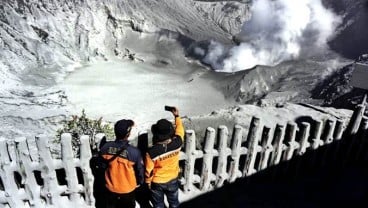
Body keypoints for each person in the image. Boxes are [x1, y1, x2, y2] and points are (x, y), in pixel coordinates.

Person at [145, 107, 185, 208]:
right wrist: (176, 116)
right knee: (174, 203)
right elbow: (180, 130)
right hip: (173, 178)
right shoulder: (177, 143)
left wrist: (148, 182)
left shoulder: (151, 152)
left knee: (158, 205)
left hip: (157, 182)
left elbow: (148, 171)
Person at [99, 119, 144, 208]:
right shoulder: (134, 152)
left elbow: (102, 166)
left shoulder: (105, 148)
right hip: (127, 189)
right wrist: (140, 182)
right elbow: (140, 171)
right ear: (128, 134)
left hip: (111, 187)